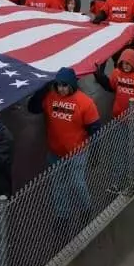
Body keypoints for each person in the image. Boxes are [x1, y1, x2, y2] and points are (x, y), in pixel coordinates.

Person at [27, 68, 101, 224]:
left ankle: (86, 209)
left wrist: (95, 153)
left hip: (77, 153)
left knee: (77, 183)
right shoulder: (50, 97)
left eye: (64, 85)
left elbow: (95, 129)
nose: (61, 89)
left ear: (72, 85)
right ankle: (62, 216)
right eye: (58, 85)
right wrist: (43, 89)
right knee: (58, 185)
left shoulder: (85, 103)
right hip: (56, 153)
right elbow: (32, 108)